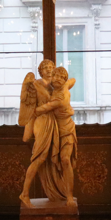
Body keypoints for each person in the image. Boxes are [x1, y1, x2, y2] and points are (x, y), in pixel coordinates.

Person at [33, 66, 78, 207]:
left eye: (61, 77)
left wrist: (31, 110)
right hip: (55, 129)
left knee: (65, 160)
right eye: (55, 76)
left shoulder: (60, 96)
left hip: (67, 129)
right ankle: (58, 190)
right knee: (55, 162)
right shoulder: (60, 88)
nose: (58, 79)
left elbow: (43, 109)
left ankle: (69, 195)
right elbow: (73, 80)